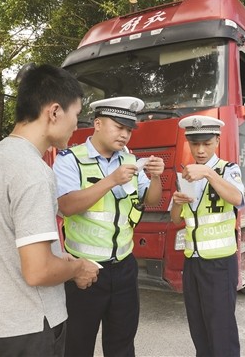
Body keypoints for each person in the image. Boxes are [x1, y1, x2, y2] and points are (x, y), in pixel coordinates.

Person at [0, 64, 100, 357]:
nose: (77, 125)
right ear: (54, 112)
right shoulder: (34, 172)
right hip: (30, 324)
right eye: (76, 115)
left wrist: (56, 257)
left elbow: (5, 239)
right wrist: (77, 268)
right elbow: (38, 271)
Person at [53, 96, 165, 356]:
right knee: (77, 345)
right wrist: (111, 180)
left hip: (124, 267)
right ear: (98, 124)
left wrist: (157, 177)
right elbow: (66, 206)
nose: (125, 135)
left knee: (122, 345)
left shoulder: (129, 160)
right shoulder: (70, 159)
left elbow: (152, 199)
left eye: (129, 129)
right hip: (84, 270)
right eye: (119, 127)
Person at [170, 115, 244, 357]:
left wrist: (209, 174)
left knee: (222, 333)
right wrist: (177, 204)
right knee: (199, 331)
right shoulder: (185, 175)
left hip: (220, 264)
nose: (200, 150)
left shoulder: (228, 169)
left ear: (217, 141)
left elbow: (237, 199)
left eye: (206, 143)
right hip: (193, 263)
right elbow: (175, 219)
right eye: (194, 144)